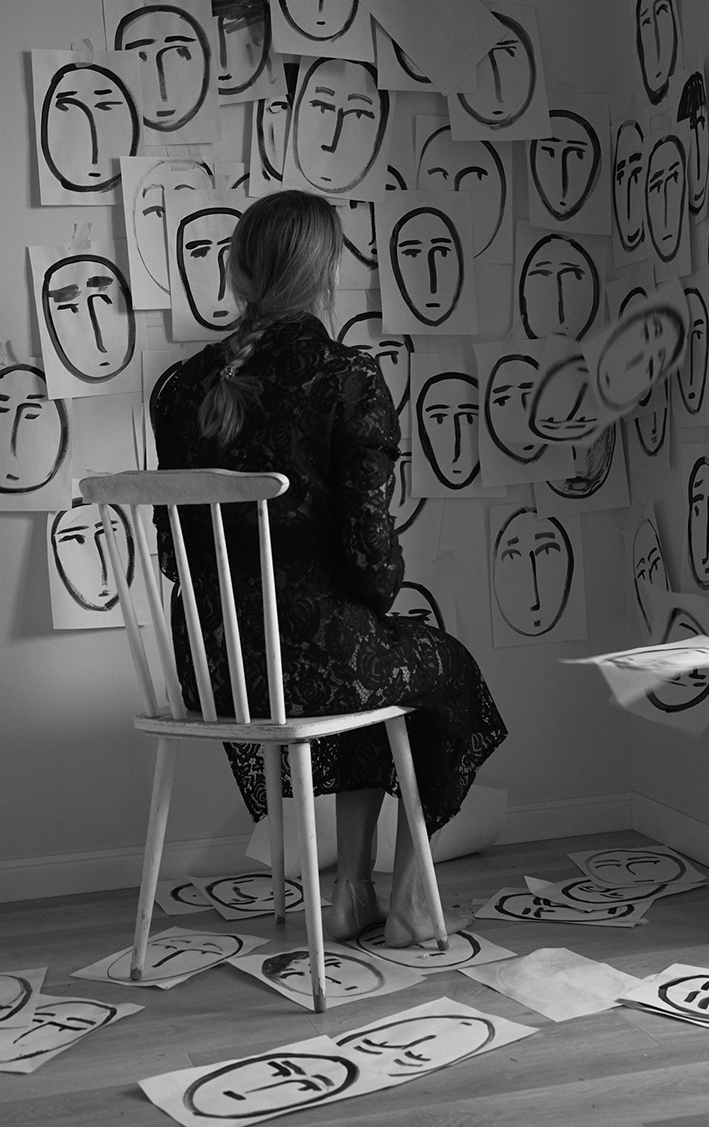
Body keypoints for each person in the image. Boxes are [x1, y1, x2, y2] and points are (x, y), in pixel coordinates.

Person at [152, 189, 507, 947]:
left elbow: (172, 553)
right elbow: (373, 561)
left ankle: (352, 893)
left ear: (237, 273)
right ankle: (407, 900)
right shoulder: (346, 376)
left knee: (370, 668)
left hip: (215, 668)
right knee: (439, 669)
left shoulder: (180, 390)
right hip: (308, 661)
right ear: (326, 272)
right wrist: (367, 594)